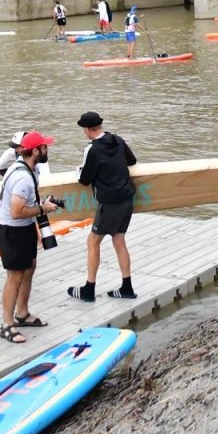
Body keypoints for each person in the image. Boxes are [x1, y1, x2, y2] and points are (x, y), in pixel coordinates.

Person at [0, 130, 61, 344]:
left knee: (29, 268)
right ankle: (7, 325)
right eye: (44, 147)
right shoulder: (23, 177)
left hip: (24, 228)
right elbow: (16, 211)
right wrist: (43, 209)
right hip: (12, 230)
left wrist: (41, 206)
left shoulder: (29, 169)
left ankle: (22, 314)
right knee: (14, 277)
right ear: (34, 151)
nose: (47, 149)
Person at [72, 111, 139, 303]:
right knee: (119, 239)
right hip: (127, 197)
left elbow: (85, 180)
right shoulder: (117, 140)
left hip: (110, 202)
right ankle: (126, 287)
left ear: (86, 129)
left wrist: (81, 170)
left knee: (93, 242)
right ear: (99, 126)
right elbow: (132, 161)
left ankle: (89, 289)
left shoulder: (92, 150)